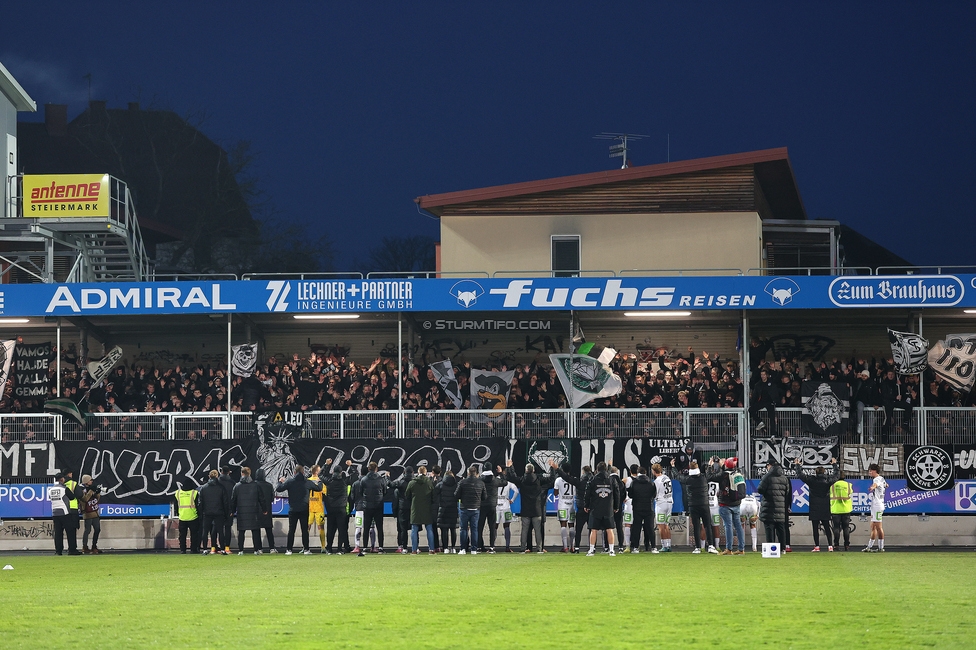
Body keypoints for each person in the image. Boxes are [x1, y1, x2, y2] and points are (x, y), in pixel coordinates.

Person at [505, 459, 554, 553]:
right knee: (538, 531)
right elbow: (551, 479)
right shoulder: (539, 480)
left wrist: (510, 467)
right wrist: (552, 467)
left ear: (525, 470)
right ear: (534, 470)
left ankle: (523, 548)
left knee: (524, 531)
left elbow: (511, 477)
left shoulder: (522, 480)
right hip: (537, 509)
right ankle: (539, 549)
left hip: (525, 509)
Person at [673, 460, 719, 554]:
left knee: (696, 527)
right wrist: (710, 465)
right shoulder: (703, 477)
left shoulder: (687, 479)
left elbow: (677, 476)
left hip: (693, 505)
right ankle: (710, 546)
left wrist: (673, 466)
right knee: (707, 525)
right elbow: (710, 475)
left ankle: (697, 547)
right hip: (704, 504)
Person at [793, 457, 839, 551]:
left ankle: (817, 546)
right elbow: (837, 475)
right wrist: (834, 464)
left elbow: (801, 475)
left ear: (816, 472)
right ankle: (830, 546)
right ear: (824, 472)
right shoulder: (828, 480)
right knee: (827, 527)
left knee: (815, 528)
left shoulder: (811, 480)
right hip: (825, 506)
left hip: (814, 507)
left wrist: (797, 465)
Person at [276, 465, 322, 555]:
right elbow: (319, 488)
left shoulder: (290, 482)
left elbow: (279, 489)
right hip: (304, 509)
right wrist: (319, 482)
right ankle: (306, 549)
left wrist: (280, 482)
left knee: (291, 530)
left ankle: (289, 550)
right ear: (303, 472)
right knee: (304, 530)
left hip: (293, 509)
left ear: (294, 472)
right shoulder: (307, 482)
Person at [584, 461, 620, 556]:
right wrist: (616, 506)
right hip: (608, 508)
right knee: (609, 529)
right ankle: (611, 550)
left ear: (597, 469)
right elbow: (617, 493)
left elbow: (587, 494)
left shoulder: (592, 479)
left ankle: (591, 550)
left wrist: (586, 505)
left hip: (595, 508)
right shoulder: (611, 479)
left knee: (594, 529)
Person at [232, 466, 268, 554]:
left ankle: (240, 550)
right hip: (254, 512)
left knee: (241, 532)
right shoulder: (256, 485)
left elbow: (233, 500)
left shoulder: (237, 486)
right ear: (250, 474)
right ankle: (256, 549)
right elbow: (262, 499)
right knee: (255, 531)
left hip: (242, 512)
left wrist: (232, 511)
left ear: (242, 473)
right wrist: (264, 509)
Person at [358, 462, 390, 555]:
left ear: (369, 469)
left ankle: (364, 548)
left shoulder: (363, 480)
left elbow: (360, 492)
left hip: (367, 506)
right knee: (379, 527)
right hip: (378, 506)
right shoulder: (381, 479)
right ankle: (380, 548)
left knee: (366, 527)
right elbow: (385, 491)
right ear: (377, 469)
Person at [323, 459, 353, 554]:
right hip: (341, 508)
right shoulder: (344, 482)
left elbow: (320, 475)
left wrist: (326, 465)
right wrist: (350, 466)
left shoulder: (329, 482)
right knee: (342, 529)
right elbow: (355, 474)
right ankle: (340, 549)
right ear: (341, 472)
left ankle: (329, 548)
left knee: (330, 529)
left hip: (331, 508)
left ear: (333, 472)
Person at [757, 461, 790, 547]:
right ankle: (783, 548)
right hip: (781, 507)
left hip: (769, 507)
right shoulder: (784, 478)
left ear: (770, 466)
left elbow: (760, 490)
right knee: (781, 528)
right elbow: (787, 492)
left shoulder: (767, 477)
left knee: (769, 528)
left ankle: (771, 549)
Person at [455, 465, 486, 554]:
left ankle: (463, 549)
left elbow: (456, 495)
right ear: (476, 473)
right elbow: (484, 497)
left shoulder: (462, 482)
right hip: (475, 509)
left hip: (464, 508)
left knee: (463, 529)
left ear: (468, 473)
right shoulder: (481, 483)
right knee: (474, 529)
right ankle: (474, 549)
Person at [405, 466, 436, 554]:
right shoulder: (429, 482)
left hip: (415, 508)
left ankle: (414, 550)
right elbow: (434, 496)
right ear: (426, 472)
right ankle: (431, 549)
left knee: (414, 529)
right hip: (427, 508)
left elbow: (407, 495)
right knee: (429, 528)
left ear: (418, 472)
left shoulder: (412, 483)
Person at [199, 469, 230, 555]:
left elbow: (200, 502)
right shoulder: (221, 487)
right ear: (217, 476)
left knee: (205, 532)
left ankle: (205, 549)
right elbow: (225, 502)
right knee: (220, 531)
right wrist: (226, 513)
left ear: (209, 476)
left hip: (207, 512)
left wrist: (201, 513)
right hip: (219, 512)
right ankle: (223, 549)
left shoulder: (204, 488)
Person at [50, 472, 81, 556]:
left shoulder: (51, 489)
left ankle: (58, 551)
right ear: (62, 479)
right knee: (70, 532)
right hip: (65, 512)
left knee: (58, 533)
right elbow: (72, 497)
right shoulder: (64, 488)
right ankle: (72, 550)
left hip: (55, 512)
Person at [627, 466, 656, 553]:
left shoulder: (634, 482)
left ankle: (636, 547)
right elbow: (654, 495)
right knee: (650, 528)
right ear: (646, 472)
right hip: (648, 507)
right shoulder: (651, 482)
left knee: (636, 528)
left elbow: (630, 495)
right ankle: (653, 547)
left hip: (637, 507)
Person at [552, 461, 577, 552]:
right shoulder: (573, 479)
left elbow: (555, 493)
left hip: (562, 504)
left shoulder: (558, 480)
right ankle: (572, 547)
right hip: (571, 505)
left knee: (563, 525)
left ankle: (565, 547)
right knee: (571, 525)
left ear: (562, 469)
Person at [863, 463, 888, 553]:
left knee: (878, 527)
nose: (869, 472)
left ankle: (881, 547)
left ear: (874, 471)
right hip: (876, 505)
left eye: (870, 471)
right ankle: (869, 546)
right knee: (873, 526)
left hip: (877, 506)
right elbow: (886, 485)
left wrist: (872, 487)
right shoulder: (881, 478)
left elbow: (875, 485)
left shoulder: (876, 479)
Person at [391, 466, 415, 553]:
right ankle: (415, 547)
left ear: (404, 473)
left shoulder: (400, 484)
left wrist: (386, 477)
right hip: (413, 508)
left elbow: (395, 500)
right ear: (413, 473)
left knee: (402, 529)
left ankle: (403, 547)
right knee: (414, 528)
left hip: (402, 509)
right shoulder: (415, 483)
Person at [174, 478, 201, 554]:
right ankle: (193, 549)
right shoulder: (194, 493)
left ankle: (183, 549)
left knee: (182, 535)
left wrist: (178, 513)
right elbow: (198, 505)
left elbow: (176, 505)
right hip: (193, 516)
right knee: (194, 534)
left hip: (182, 517)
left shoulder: (178, 493)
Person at [829, 468, 854, 551]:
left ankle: (836, 545)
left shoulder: (832, 485)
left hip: (835, 509)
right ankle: (847, 545)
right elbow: (850, 493)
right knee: (846, 528)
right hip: (846, 509)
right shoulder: (848, 485)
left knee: (836, 528)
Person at [435, 470, 459, 553]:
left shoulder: (440, 485)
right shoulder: (456, 485)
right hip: (453, 509)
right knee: (453, 529)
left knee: (444, 530)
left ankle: (445, 548)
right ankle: (453, 548)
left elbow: (434, 495)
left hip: (443, 509)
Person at [494, 472, 519, 553]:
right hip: (506, 506)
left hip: (496, 506)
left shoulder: (495, 482)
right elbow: (516, 491)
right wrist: (512, 500)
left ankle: (492, 546)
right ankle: (507, 547)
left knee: (495, 526)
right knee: (507, 526)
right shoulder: (509, 483)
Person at [254, 468, 277, 553]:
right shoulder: (269, 485)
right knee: (269, 530)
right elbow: (272, 498)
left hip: (256, 511)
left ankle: (259, 549)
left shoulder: (254, 485)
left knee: (256, 530)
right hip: (267, 510)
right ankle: (272, 548)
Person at [651, 463, 673, 553]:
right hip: (670, 502)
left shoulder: (657, 481)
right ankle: (669, 545)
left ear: (653, 471)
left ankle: (664, 545)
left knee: (661, 525)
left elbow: (655, 494)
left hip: (661, 503)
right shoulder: (667, 478)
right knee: (666, 525)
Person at [306, 465, 328, 552]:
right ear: (317, 472)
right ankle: (323, 547)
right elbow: (325, 493)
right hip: (318, 507)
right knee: (321, 528)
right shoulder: (321, 482)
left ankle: (305, 547)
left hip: (309, 508)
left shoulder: (307, 481)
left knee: (307, 528)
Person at [79, 474, 102, 554]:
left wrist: (97, 493)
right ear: (86, 481)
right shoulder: (81, 489)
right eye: (90, 480)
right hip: (87, 513)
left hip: (95, 512)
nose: (92, 481)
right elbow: (84, 499)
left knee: (97, 529)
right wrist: (91, 491)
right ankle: (84, 547)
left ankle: (94, 546)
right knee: (87, 530)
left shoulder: (90, 489)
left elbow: (96, 499)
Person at [706, 456, 723, 551]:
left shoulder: (705, 480)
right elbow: (719, 493)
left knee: (704, 526)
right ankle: (717, 546)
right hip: (715, 505)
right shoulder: (718, 482)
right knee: (716, 526)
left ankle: (702, 546)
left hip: (706, 505)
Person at [218, 466, 236, 555]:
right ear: (229, 472)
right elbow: (234, 497)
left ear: (221, 472)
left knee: (219, 529)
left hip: (219, 509)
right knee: (228, 528)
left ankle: (218, 548)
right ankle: (227, 548)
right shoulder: (232, 483)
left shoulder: (217, 482)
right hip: (229, 509)